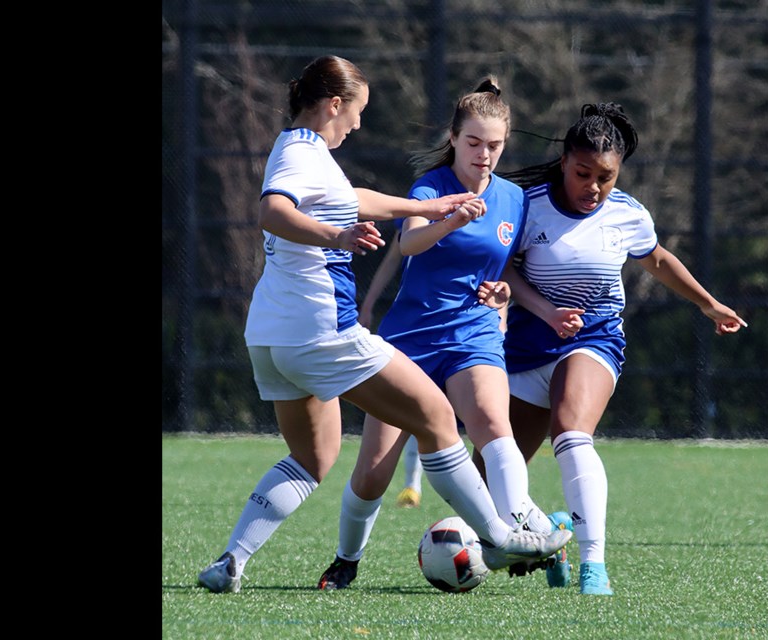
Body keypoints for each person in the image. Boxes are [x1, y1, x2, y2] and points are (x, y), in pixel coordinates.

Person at [196, 56, 571, 594]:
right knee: (438, 418)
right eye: (358, 111)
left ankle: (231, 561)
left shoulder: (303, 150)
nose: (358, 123)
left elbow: (357, 200)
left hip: (271, 335)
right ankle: (500, 535)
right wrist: (337, 239)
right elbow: (272, 211)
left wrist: (433, 206)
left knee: (312, 456)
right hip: (321, 329)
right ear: (333, 104)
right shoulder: (303, 153)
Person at [483, 102, 749, 596]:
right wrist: (543, 311)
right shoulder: (527, 205)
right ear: (564, 161)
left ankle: (593, 566)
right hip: (524, 347)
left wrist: (709, 304)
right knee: (493, 478)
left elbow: (659, 260)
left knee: (569, 430)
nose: (594, 188)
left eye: (605, 177)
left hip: (592, 339)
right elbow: (504, 268)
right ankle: (551, 535)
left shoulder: (627, 212)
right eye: (584, 174)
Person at [316, 77, 568, 591]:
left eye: (494, 145)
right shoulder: (431, 187)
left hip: (473, 335)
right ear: (454, 139)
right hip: (410, 339)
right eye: (474, 143)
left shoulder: (512, 199)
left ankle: (518, 528)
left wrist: (503, 293)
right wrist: (450, 220)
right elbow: (408, 244)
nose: (484, 154)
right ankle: (347, 559)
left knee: (496, 427)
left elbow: (506, 269)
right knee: (374, 471)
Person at [356, 236, 423, 509]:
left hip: (463, 331)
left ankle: (506, 516)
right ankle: (412, 485)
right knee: (411, 411)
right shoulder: (419, 203)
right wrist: (369, 303)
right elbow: (393, 257)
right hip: (411, 326)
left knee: (440, 419)